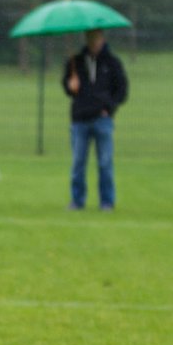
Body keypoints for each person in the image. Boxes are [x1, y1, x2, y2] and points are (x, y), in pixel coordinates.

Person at [61, 28, 128, 211]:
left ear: (102, 39)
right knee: (78, 163)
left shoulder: (112, 63)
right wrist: (70, 86)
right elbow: (67, 88)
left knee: (105, 163)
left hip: (102, 120)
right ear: (86, 39)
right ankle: (77, 201)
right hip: (79, 120)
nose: (93, 42)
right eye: (89, 38)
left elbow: (122, 91)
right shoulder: (75, 62)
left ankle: (107, 202)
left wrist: (109, 108)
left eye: (96, 38)